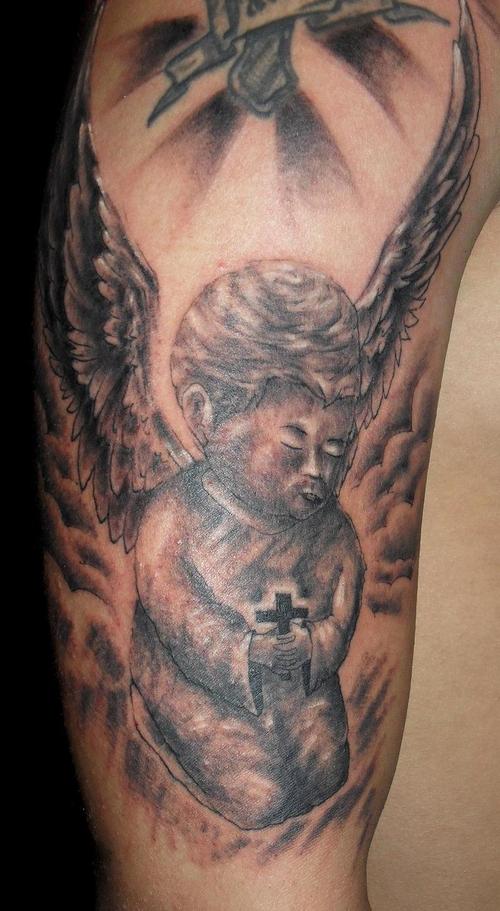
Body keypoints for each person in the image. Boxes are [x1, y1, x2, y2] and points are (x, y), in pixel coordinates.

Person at [130, 262, 365, 829]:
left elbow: (341, 607)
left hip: (301, 696)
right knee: (255, 791)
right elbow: (178, 614)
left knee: (323, 766)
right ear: (205, 415)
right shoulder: (175, 516)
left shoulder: (332, 532)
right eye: (294, 444)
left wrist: (313, 645)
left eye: (335, 450)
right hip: (201, 692)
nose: (317, 470)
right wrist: (246, 652)